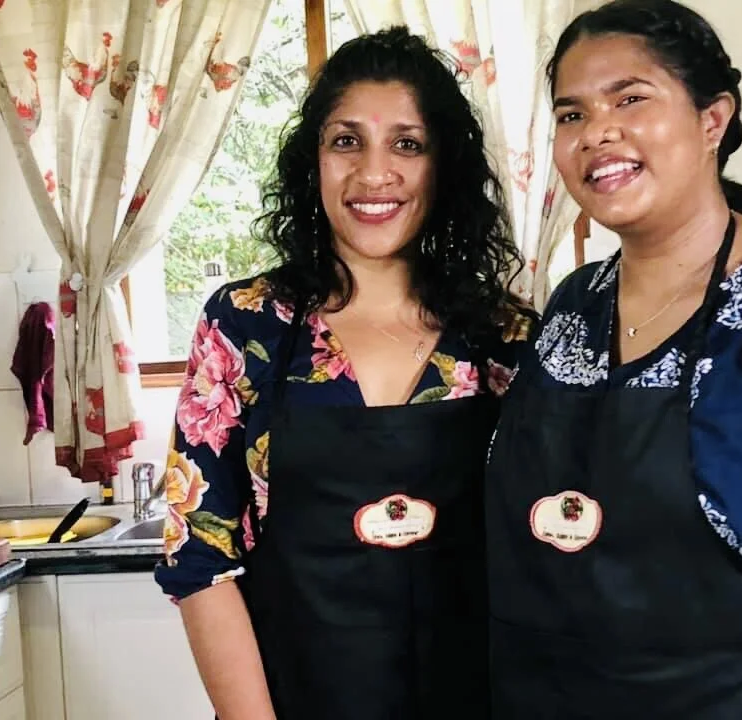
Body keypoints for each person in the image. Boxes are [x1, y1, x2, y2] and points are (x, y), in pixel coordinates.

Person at [485, 1, 742, 718]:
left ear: (712, 120)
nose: (597, 131)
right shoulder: (574, 305)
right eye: (571, 114)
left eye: (630, 98)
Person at [154, 26, 531, 720]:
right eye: (346, 141)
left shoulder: (502, 337)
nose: (373, 174)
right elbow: (199, 557)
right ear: (314, 160)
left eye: (407, 144)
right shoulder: (247, 327)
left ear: (442, 165)